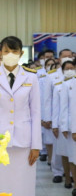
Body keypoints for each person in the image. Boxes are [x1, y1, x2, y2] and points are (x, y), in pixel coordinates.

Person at [0, 36, 41, 196]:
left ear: (21, 53)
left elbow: (36, 113)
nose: (10, 54)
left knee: (23, 186)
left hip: (24, 142)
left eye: (14, 51)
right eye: (7, 51)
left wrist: (36, 145)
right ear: (0, 53)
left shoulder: (31, 78)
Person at [43, 48, 73, 182]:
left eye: (70, 56)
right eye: (64, 56)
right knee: (59, 149)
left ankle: (72, 175)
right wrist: (48, 119)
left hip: (72, 118)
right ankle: (58, 172)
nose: (68, 58)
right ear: (59, 59)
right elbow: (47, 99)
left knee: (72, 150)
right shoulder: (52, 76)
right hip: (58, 117)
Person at [54, 60, 75, 189]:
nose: (69, 70)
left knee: (73, 155)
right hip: (65, 125)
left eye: (71, 67)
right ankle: (67, 178)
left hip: (73, 123)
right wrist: (57, 125)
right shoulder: (60, 85)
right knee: (66, 154)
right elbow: (58, 108)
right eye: (66, 68)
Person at [62, 65, 76, 195]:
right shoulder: (69, 84)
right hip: (73, 128)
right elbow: (65, 107)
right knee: (73, 158)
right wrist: (66, 127)